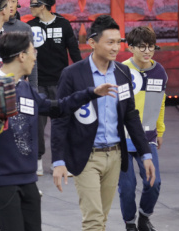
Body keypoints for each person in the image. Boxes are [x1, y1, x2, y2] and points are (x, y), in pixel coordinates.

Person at [0, 31, 113, 231]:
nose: (35, 57)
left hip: (29, 180)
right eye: (33, 52)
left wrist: (90, 93)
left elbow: (58, 108)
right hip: (2, 181)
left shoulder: (27, 89)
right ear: (21, 56)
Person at [52, 15, 156, 231]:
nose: (116, 47)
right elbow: (61, 118)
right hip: (86, 157)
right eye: (110, 42)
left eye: (118, 42)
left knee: (102, 219)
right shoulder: (72, 74)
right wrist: (58, 160)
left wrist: (145, 154)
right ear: (92, 42)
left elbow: (130, 116)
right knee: (94, 220)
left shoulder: (122, 72)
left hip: (115, 156)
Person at [26, 0, 81, 176]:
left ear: (43, 6)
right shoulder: (29, 26)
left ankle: (61, 160)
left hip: (60, 82)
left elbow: (74, 52)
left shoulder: (64, 24)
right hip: (38, 82)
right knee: (37, 123)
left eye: (33, 4)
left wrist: (81, 75)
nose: (30, 7)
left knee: (63, 122)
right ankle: (37, 159)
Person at [118, 26, 167, 231]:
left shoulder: (159, 71)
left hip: (147, 138)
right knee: (127, 187)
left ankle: (144, 217)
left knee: (153, 183)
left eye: (151, 47)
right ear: (130, 48)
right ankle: (130, 223)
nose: (147, 51)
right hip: (122, 138)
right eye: (142, 47)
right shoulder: (121, 70)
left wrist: (160, 131)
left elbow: (160, 103)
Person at [1, 0, 37, 90]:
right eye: (7, 1)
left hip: (18, 84)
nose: (10, 5)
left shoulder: (25, 28)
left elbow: (32, 59)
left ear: (18, 3)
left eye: (13, 1)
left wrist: (34, 90)